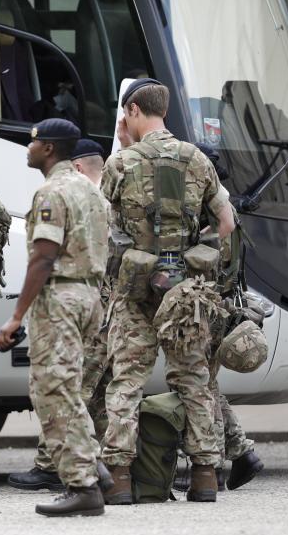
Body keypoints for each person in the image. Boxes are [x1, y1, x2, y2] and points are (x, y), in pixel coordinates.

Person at [99, 79, 236, 505]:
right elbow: (227, 221)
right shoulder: (197, 159)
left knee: (127, 379)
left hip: (135, 289)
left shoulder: (121, 163)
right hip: (187, 294)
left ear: (134, 110)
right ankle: (205, 476)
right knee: (193, 378)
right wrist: (201, 258)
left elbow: (103, 224)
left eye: (125, 114)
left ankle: (120, 477)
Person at [0, 119, 110, 517]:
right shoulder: (90, 190)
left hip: (60, 298)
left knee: (54, 391)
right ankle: (93, 464)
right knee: (71, 387)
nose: (28, 149)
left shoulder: (52, 192)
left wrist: (16, 316)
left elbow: (43, 256)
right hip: (90, 295)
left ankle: (82, 485)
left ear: (48, 149)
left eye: (33, 143)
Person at [195, 143, 264, 490]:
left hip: (208, 309)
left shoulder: (214, 215)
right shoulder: (228, 209)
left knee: (198, 386)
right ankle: (239, 453)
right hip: (221, 308)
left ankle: (217, 464)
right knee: (205, 385)